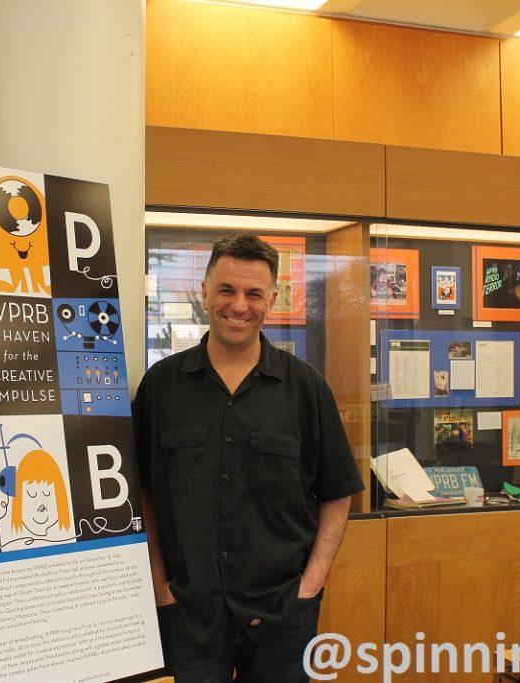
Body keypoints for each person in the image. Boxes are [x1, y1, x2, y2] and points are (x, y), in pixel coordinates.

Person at [133, 233, 364, 682]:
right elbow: (143, 493)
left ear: (272, 300)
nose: (239, 306)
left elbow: (338, 493)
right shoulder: (161, 387)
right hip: (187, 614)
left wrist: (309, 586)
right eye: (226, 290)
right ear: (204, 292)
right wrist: (160, 585)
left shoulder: (306, 389)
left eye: (253, 293)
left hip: (284, 616)